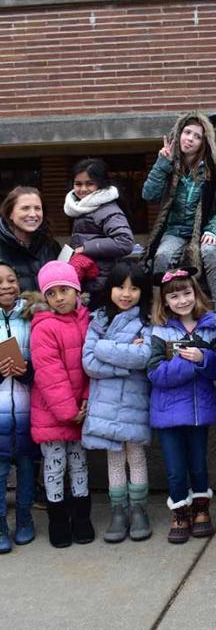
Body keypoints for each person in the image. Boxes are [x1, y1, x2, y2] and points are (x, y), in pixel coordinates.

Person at [147, 267, 216, 544]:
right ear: (165, 301)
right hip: (168, 413)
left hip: (199, 411)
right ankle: (179, 511)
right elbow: (155, 373)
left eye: (187, 293)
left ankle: (201, 509)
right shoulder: (159, 331)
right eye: (174, 296)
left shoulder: (210, 325)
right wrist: (189, 362)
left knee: (199, 465)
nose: (182, 300)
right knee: (175, 468)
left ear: (196, 293)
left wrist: (204, 359)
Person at [81, 262, 153, 543]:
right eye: (120, 287)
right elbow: (88, 362)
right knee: (113, 459)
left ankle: (139, 510)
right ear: (109, 288)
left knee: (135, 456)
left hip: (134, 402)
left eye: (134, 288)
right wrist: (123, 362)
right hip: (105, 404)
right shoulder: (98, 319)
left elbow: (144, 357)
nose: (126, 294)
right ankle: (118, 511)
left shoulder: (145, 321)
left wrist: (104, 349)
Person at [29, 261, 93, 548]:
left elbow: (93, 365)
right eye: (52, 293)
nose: (59, 298)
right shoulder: (43, 327)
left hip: (81, 410)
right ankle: (58, 523)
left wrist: (86, 403)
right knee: (55, 469)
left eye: (64, 290)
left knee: (80, 467)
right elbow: (49, 375)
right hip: (54, 414)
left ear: (76, 290)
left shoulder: (86, 320)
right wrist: (69, 412)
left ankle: (82, 520)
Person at [142, 112, 216, 312]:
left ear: (205, 142)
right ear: (178, 133)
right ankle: (158, 310)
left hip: (203, 231)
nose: (190, 138)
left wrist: (214, 230)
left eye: (197, 136)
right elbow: (149, 195)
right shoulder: (169, 166)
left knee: (210, 252)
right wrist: (161, 164)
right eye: (187, 132)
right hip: (175, 231)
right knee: (163, 256)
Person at [63, 158, 135, 308]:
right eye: (78, 184)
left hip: (103, 284)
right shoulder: (83, 208)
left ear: (101, 184)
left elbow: (125, 241)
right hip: (90, 280)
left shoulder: (107, 209)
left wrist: (86, 248)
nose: (83, 189)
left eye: (90, 183)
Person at [0, 262, 37, 552]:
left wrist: (26, 371)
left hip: (28, 411)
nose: (6, 286)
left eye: (11, 279)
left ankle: (24, 519)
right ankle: (1, 525)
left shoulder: (33, 315)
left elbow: (47, 361)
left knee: (27, 470)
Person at [0, 187, 62, 293]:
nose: (33, 214)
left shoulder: (51, 246)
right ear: (10, 213)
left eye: (37, 208)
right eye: (25, 208)